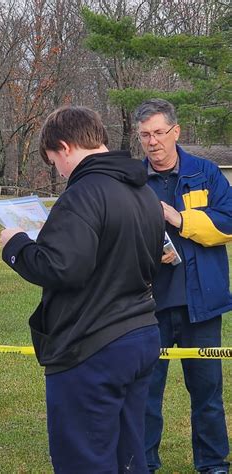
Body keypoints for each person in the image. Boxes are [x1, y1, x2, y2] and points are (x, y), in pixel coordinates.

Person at [0, 105, 165, 473]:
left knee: (85, 459)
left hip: (91, 347)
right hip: (139, 334)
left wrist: (16, 246)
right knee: (128, 455)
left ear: (65, 146)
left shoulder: (83, 194)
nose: (57, 170)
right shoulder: (144, 194)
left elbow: (63, 268)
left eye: (53, 159)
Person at [133, 98, 232, 474]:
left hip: (202, 305)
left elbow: (228, 223)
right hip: (147, 305)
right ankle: (142, 463)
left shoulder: (205, 174)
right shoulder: (132, 180)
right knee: (143, 393)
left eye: (159, 133)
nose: (153, 142)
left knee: (208, 395)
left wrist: (179, 218)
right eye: (145, 135)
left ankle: (213, 465)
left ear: (176, 132)